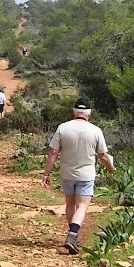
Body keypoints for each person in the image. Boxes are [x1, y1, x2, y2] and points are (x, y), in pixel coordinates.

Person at [41, 97, 115, 254]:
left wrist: (46, 173)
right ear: (89, 114)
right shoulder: (96, 131)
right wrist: (110, 167)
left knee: (70, 204)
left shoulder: (63, 128)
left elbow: (54, 151)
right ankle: (73, 235)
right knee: (82, 206)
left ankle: (72, 235)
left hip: (67, 173)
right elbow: (102, 155)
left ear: (73, 112)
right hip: (86, 174)